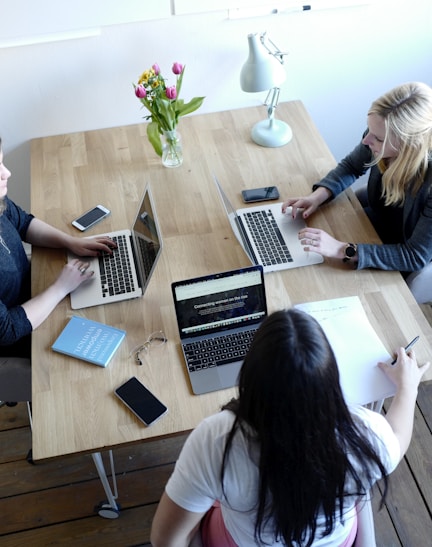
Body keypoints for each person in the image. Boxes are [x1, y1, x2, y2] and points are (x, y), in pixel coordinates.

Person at [150, 309, 429, 547]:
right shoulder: (365, 434)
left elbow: (165, 539)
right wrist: (407, 386)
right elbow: (399, 438)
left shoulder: (216, 439)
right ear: (331, 379)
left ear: (250, 378)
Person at [281, 82, 432, 303]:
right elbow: (352, 166)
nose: (366, 140)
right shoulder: (377, 135)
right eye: (369, 130)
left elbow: (414, 255)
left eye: (378, 139)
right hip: (375, 227)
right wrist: (317, 196)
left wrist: (343, 250)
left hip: (401, 255)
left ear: (411, 145)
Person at [0, 137, 115, 365]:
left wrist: (70, 242)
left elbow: (22, 223)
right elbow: (7, 330)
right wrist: (60, 287)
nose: (7, 173)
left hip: (39, 291)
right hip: (22, 339)